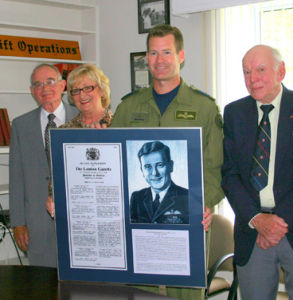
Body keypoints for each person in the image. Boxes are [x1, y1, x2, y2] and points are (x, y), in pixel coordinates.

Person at [111, 24, 222, 299]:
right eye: (153, 53)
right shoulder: (127, 108)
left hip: (189, 225)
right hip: (139, 227)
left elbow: (216, 165)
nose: (159, 60)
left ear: (181, 56)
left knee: (185, 292)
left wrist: (203, 204)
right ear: (146, 58)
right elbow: (116, 166)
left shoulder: (204, 107)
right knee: (140, 292)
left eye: (167, 52)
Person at [222, 45, 293, 300]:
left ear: (281, 71)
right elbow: (230, 175)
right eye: (246, 72)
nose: (252, 79)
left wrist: (277, 223)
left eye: (260, 70)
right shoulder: (234, 113)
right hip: (252, 230)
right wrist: (258, 220)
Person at [9, 63, 78, 267]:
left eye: (50, 82)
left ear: (63, 85)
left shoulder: (82, 118)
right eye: (37, 84)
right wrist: (18, 223)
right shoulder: (20, 125)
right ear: (32, 91)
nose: (44, 88)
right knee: (42, 285)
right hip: (36, 222)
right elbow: (16, 177)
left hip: (77, 218)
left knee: (81, 284)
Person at [46, 63, 113, 217]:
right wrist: (52, 198)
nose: (82, 95)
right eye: (75, 91)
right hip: (77, 215)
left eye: (88, 88)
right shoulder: (63, 133)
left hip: (112, 211)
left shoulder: (118, 126)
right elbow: (55, 179)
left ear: (102, 90)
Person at [130, 141, 189, 224]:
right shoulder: (136, 198)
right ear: (142, 170)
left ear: (171, 166)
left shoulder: (187, 197)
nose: (154, 173)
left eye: (160, 165)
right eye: (148, 167)